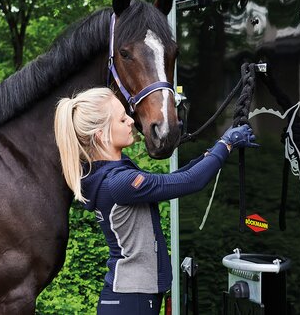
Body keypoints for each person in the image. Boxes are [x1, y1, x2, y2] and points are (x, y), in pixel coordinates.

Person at [54, 87, 258, 315]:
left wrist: (219, 146)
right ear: (102, 134)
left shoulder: (112, 175)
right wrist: (226, 144)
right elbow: (191, 181)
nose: (131, 121)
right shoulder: (119, 182)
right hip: (132, 299)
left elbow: (176, 179)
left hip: (130, 297)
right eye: (122, 119)